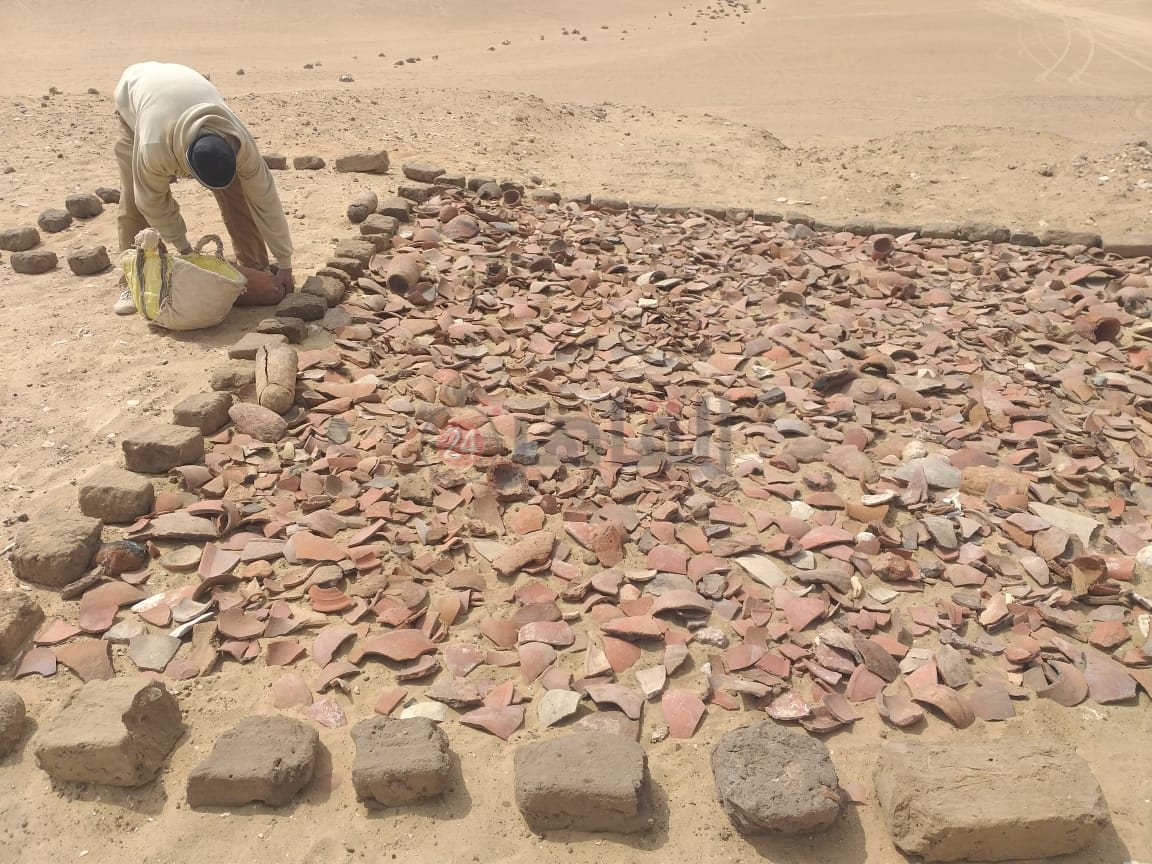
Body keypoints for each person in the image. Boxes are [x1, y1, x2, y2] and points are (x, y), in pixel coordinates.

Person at [112, 61, 294, 314]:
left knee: (238, 193)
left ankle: (254, 266)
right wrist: (186, 252)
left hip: (185, 88)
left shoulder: (239, 142)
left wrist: (285, 263)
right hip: (136, 100)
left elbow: (265, 199)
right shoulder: (154, 149)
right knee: (134, 201)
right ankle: (134, 282)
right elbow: (151, 202)